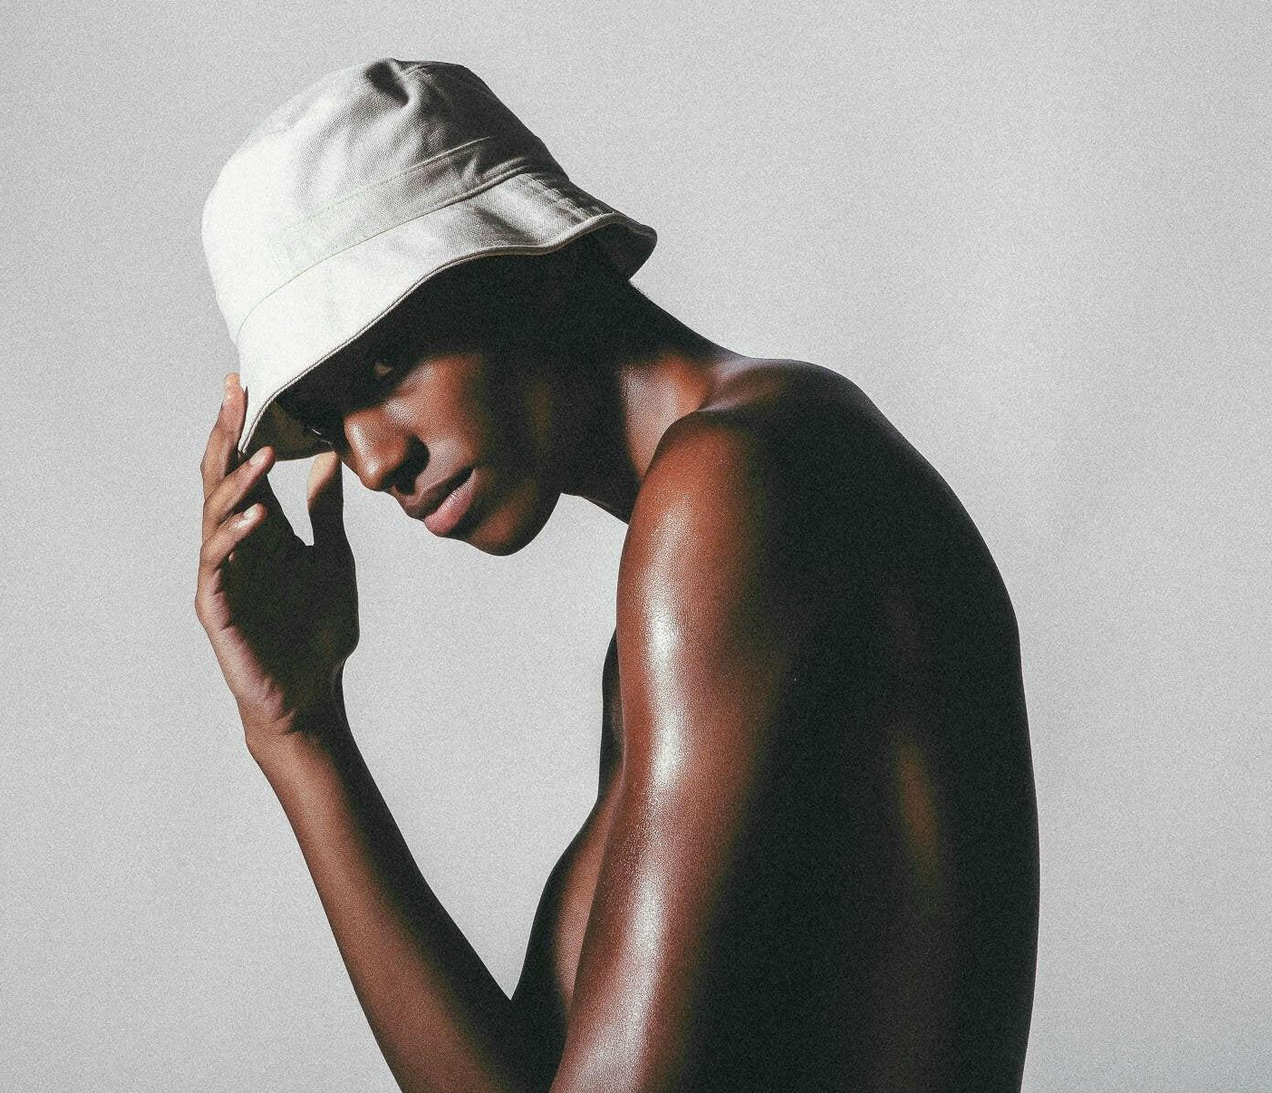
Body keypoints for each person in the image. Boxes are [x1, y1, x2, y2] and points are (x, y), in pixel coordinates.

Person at [194, 59, 1039, 1092]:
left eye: (383, 365)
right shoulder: (726, 516)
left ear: (535, 264)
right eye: (328, 419)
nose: (372, 462)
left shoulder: (734, 487)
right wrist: (300, 735)